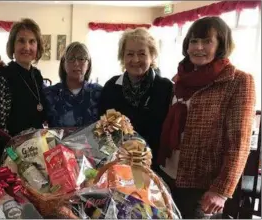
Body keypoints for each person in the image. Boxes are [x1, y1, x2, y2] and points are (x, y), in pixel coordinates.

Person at [157, 16, 256, 218]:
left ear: (221, 44)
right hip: (166, 175)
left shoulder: (238, 81)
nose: (198, 47)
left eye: (207, 41)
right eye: (194, 41)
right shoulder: (180, 79)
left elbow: (239, 143)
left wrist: (221, 190)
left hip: (202, 186)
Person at [98, 27, 173, 168]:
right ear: (122, 56)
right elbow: (102, 129)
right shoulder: (111, 87)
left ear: (152, 56)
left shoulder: (166, 88)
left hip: (154, 167)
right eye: (130, 54)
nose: (135, 59)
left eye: (142, 54)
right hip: (117, 165)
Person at [0, 18, 48, 136]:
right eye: (21, 41)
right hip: (11, 150)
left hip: (37, 146)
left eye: (32, 41)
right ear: (13, 46)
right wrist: (13, 154)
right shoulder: (4, 75)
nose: (27, 47)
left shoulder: (37, 75)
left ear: (38, 47)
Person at [44, 42, 102, 127]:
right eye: (71, 58)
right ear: (64, 64)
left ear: (88, 64)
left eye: (81, 59)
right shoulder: (50, 93)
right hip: (58, 140)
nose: (76, 63)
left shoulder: (98, 92)